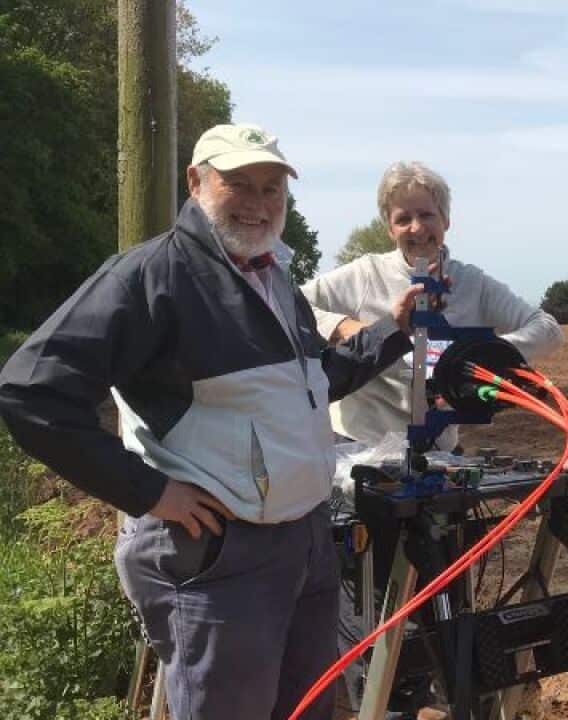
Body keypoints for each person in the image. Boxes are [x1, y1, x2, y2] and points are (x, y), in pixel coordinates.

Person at [0, 123, 422, 720]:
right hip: (220, 557)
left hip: (304, 543)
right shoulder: (150, 277)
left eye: (272, 189)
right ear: (196, 182)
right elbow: (30, 392)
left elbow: (314, 382)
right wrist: (150, 492)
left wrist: (393, 332)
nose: (258, 203)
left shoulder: (273, 276)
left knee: (305, 710)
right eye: (239, 184)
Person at [301, 160, 563, 453]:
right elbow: (293, 305)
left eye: (427, 215)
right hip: (362, 449)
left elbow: (548, 330)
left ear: (445, 220)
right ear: (389, 229)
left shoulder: (471, 282)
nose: (417, 228)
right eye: (403, 219)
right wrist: (344, 327)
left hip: (439, 451)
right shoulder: (365, 275)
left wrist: (476, 359)